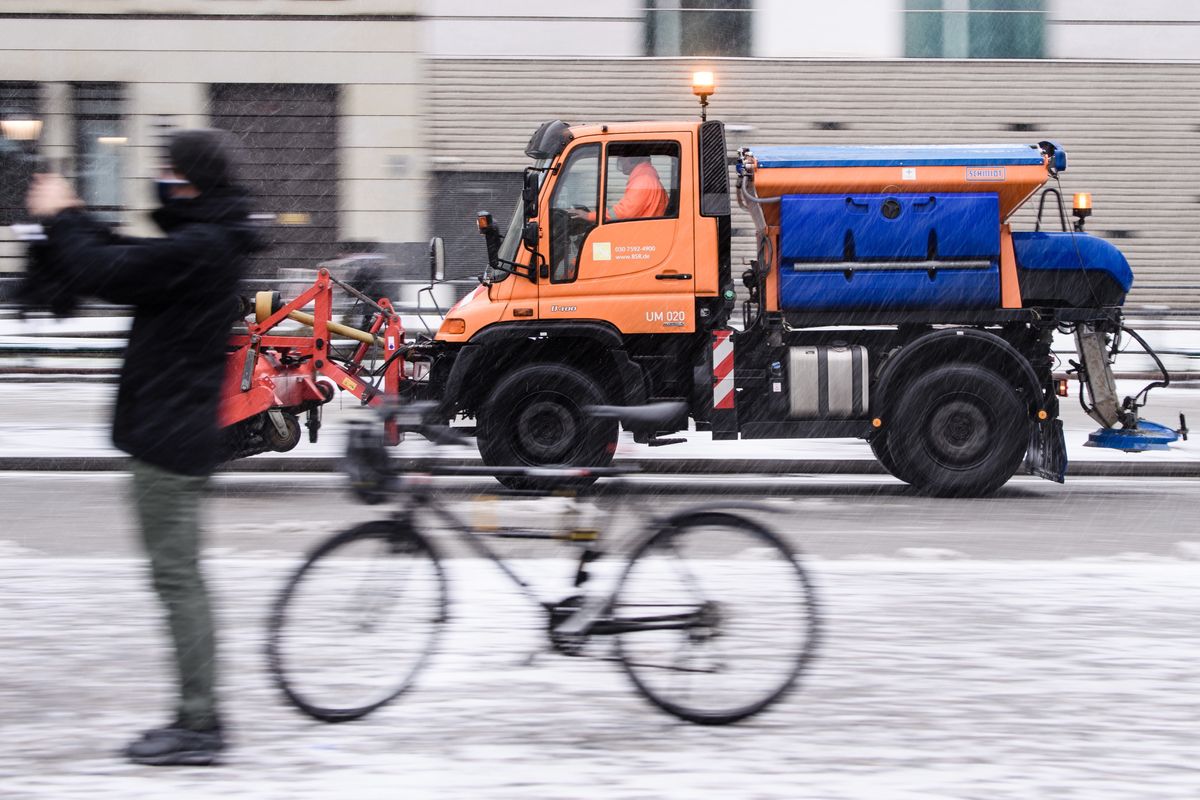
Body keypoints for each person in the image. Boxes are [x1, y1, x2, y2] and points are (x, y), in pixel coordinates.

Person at [25, 128, 263, 766]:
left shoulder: (205, 247)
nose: (158, 176)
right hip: (167, 432)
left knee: (178, 580)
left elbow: (111, 269)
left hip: (169, 440)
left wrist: (66, 216)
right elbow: (122, 261)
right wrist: (71, 222)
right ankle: (198, 717)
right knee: (178, 579)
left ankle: (200, 724)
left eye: (167, 167)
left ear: (190, 178)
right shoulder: (201, 243)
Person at [570, 155, 668, 223]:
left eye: (622, 159)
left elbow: (623, 213)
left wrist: (588, 216)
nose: (620, 162)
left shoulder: (643, 180)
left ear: (632, 159)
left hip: (639, 236)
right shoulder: (647, 177)